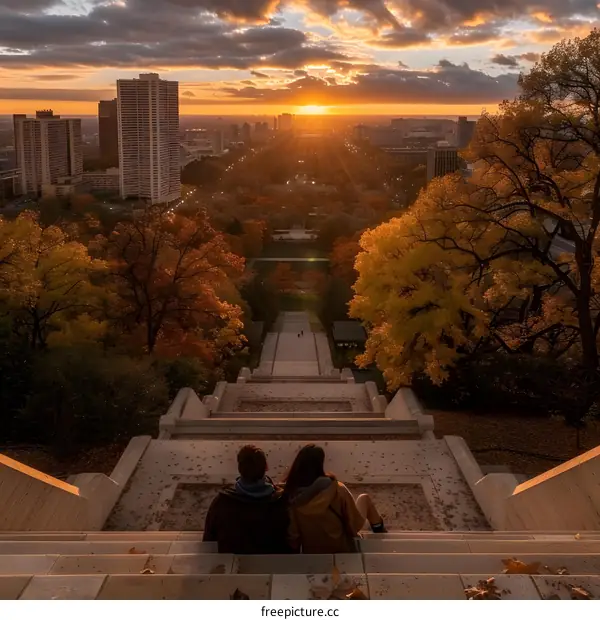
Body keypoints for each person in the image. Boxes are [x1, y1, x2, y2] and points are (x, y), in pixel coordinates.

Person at [282, 444, 386, 554]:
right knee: (364, 498)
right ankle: (380, 530)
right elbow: (354, 524)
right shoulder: (337, 489)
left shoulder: (291, 498)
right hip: (342, 549)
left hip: (313, 553)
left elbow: (294, 537)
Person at [203, 445, 293, 554]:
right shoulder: (281, 503)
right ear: (266, 467)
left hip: (232, 565)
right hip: (271, 566)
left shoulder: (221, 503)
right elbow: (291, 542)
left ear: (240, 469)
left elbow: (208, 541)